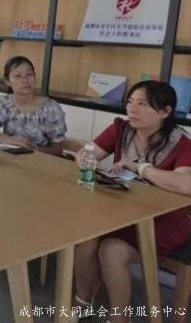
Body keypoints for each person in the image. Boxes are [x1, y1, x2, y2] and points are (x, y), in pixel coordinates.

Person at [72, 81, 191, 322]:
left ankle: (119, 317)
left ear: (165, 112)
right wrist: (86, 160)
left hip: (162, 221)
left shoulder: (182, 144)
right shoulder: (121, 129)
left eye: (142, 104)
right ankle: (83, 301)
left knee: (111, 250)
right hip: (120, 211)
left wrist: (141, 168)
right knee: (84, 237)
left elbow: (185, 185)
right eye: (130, 102)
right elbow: (87, 152)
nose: (132, 109)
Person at [0, 56, 66, 155]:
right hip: (13, 158)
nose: (25, 80)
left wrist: (34, 148)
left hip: (41, 160)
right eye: (18, 76)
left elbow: (58, 149)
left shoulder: (50, 108)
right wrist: (14, 141)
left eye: (29, 74)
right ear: (7, 81)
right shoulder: (3, 103)